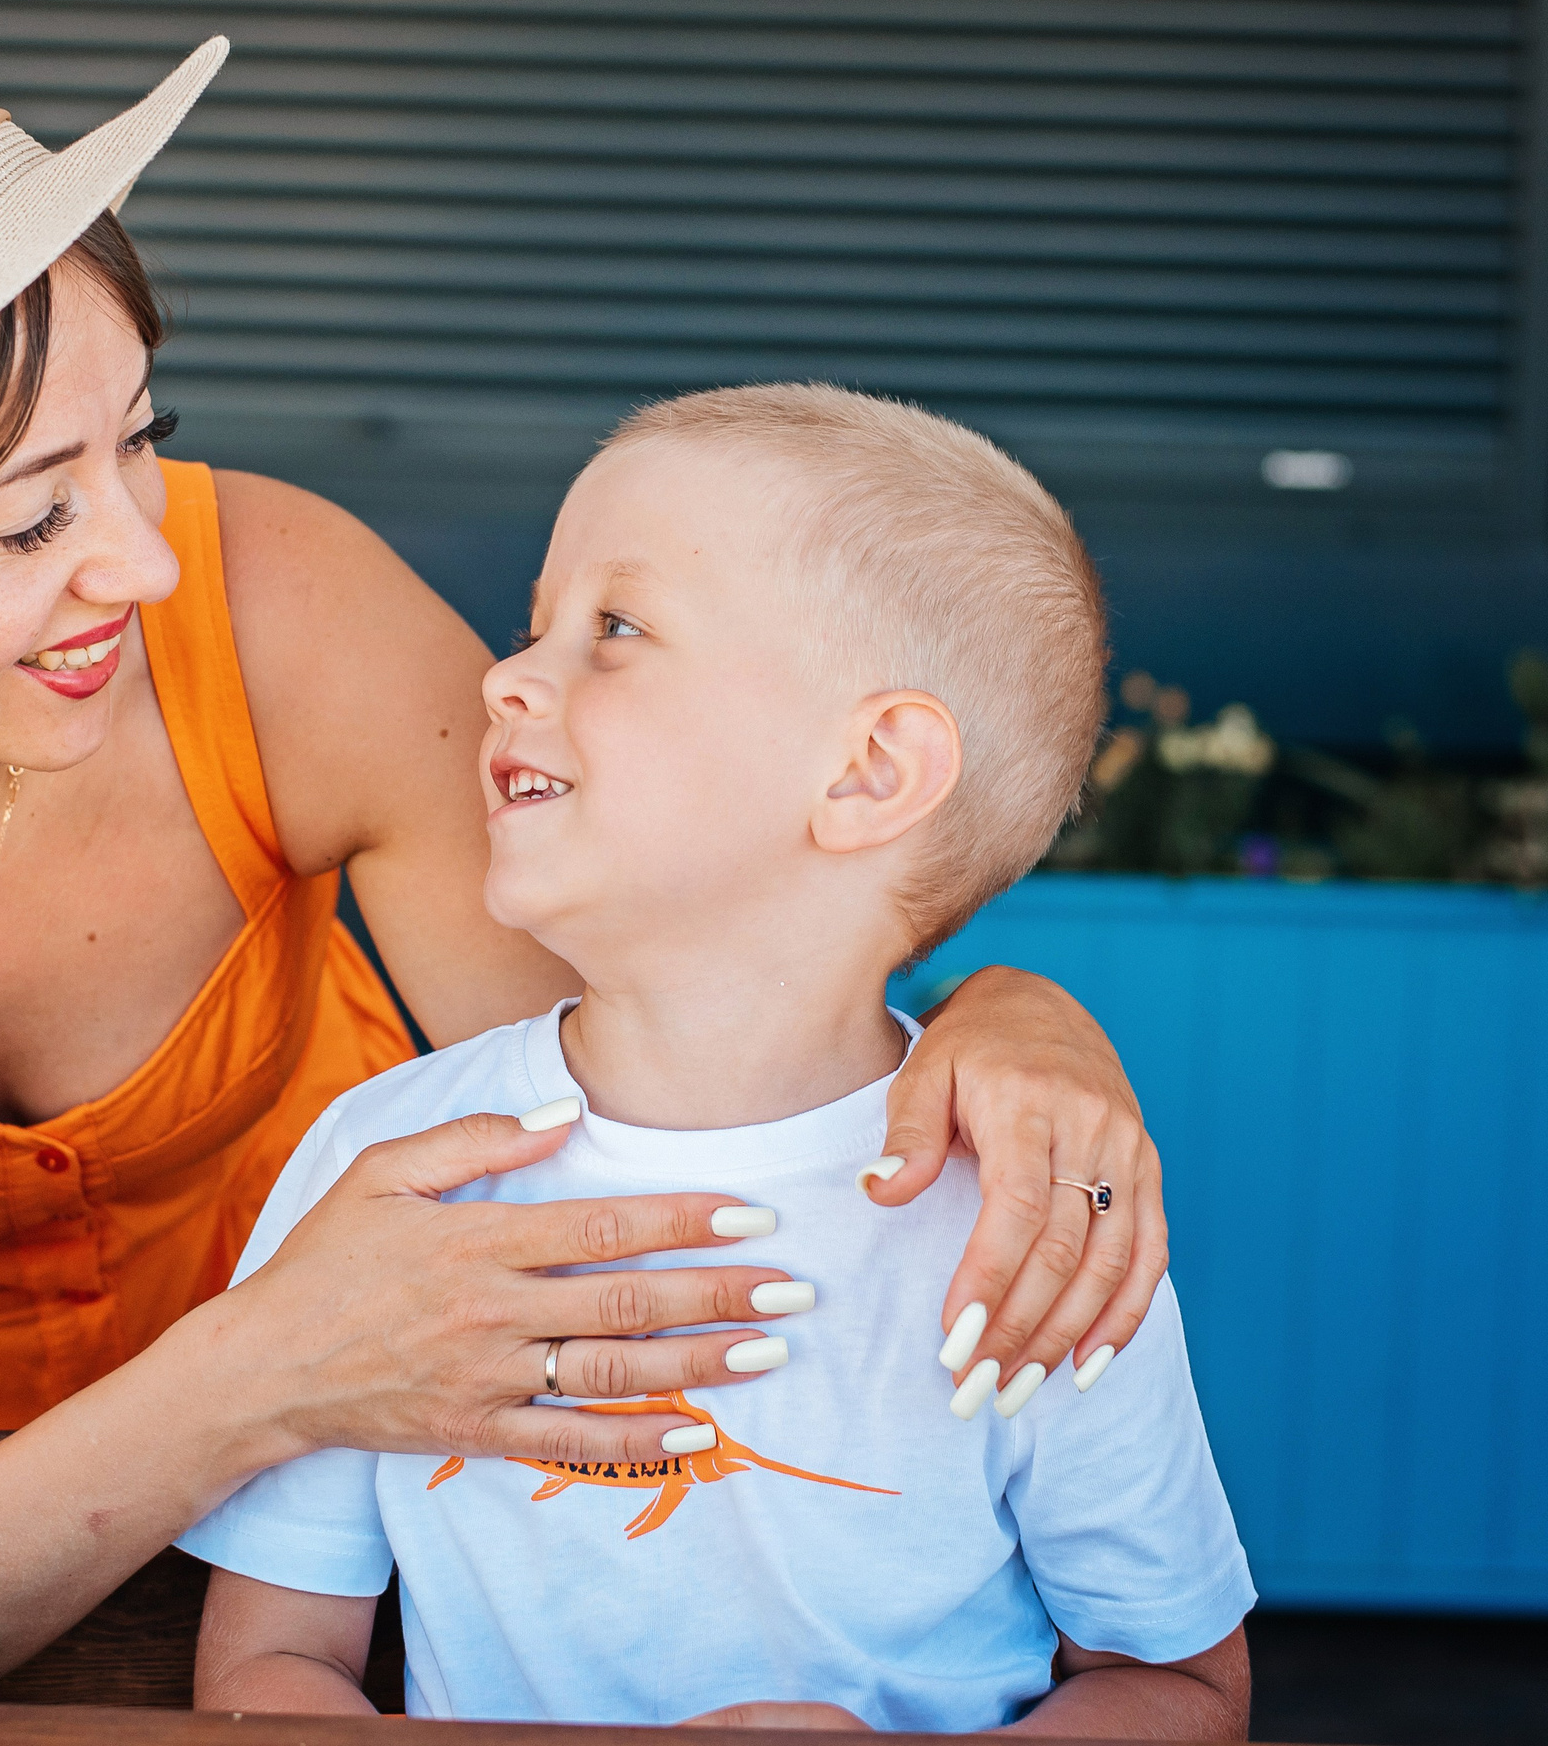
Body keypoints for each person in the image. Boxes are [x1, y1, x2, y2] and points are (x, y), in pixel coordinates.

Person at [0, 7, 1171, 1699]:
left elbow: (715, 995)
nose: (141, 561)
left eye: (139, 444)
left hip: (395, 1616)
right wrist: (263, 1371)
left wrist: (1007, 1008)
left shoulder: (270, 608)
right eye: (25, 519)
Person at [183, 385, 1252, 1736]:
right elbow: (271, 1666)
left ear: (870, 769)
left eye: (615, 629)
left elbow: (1180, 1684)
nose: (503, 678)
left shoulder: (1034, 1217)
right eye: (533, 626)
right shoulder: (383, 1163)